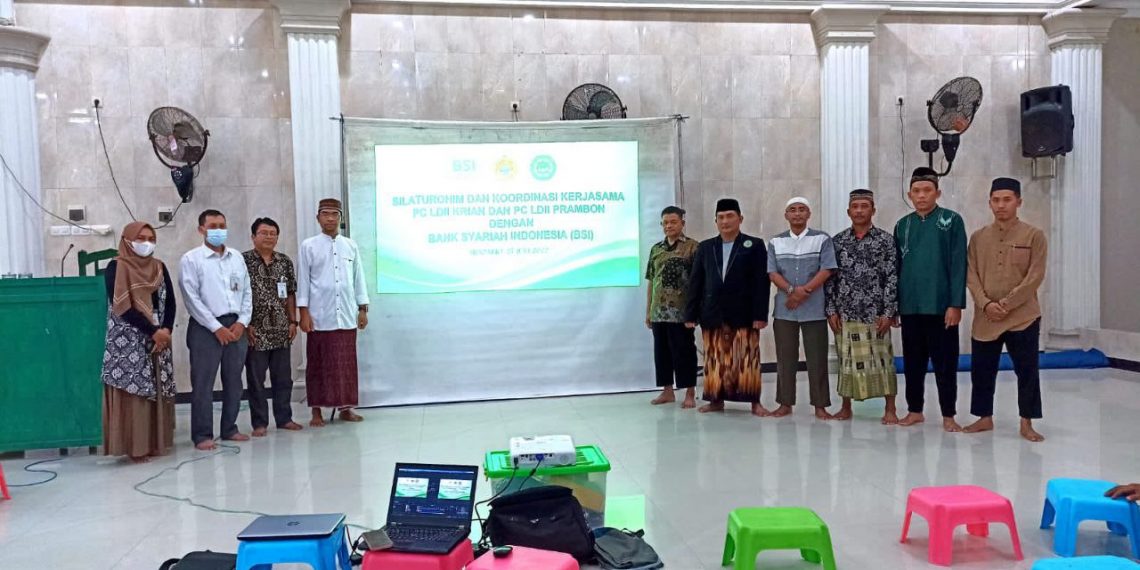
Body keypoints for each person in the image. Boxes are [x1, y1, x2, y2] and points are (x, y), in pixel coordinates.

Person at [963, 177, 1048, 442]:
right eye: (996, 200)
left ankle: (1027, 421)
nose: (1001, 205)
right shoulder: (978, 238)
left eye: (1007, 200)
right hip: (986, 316)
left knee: (1027, 370)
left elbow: (1035, 276)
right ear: (989, 203)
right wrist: (986, 303)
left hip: (1023, 316)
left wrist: (1007, 304)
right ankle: (984, 417)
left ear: (1018, 202)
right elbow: (971, 274)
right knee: (982, 369)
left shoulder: (1034, 235)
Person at [894, 167, 967, 432]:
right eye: (916, 191)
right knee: (913, 362)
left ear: (937, 192)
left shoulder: (951, 221)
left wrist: (956, 303)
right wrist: (895, 307)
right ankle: (915, 410)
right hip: (911, 306)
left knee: (945, 363)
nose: (922, 196)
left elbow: (959, 264)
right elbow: (896, 269)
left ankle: (949, 414)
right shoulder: (903, 225)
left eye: (927, 191)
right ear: (909, 194)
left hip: (941, 307)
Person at [684, 198, 772, 417]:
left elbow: (761, 283)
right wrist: (691, 314)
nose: (725, 221)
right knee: (715, 360)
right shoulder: (705, 247)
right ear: (715, 221)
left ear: (740, 219)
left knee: (746, 359)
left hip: (744, 313)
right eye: (721, 217)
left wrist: (760, 314)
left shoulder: (754, 245)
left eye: (730, 216)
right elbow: (696, 282)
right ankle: (716, 401)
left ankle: (755, 402)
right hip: (712, 312)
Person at [100, 222, 176, 462]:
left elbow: (170, 301)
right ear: (127, 239)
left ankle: (155, 443)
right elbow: (120, 306)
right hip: (128, 338)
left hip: (158, 337)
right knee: (133, 393)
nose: (146, 243)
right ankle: (135, 447)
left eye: (150, 238)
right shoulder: (116, 266)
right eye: (140, 238)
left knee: (157, 386)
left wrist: (165, 330)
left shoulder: (159, 267)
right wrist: (153, 331)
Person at [180, 209, 253, 451]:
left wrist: (242, 321)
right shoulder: (191, 259)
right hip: (205, 328)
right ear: (201, 229)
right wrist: (215, 327)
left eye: (222, 225)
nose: (218, 230)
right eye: (212, 226)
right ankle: (202, 435)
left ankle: (230, 428)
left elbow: (246, 293)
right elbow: (192, 299)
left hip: (236, 326)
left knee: (234, 380)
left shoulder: (236, 258)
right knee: (203, 383)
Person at [825, 189, 900, 424]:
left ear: (873, 210)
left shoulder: (886, 240)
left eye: (864, 206)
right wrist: (831, 310)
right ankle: (846, 407)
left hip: (875, 313)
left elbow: (892, 277)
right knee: (846, 361)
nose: (859, 210)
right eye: (855, 206)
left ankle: (890, 409)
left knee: (883, 361)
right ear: (848, 212)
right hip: (846, 312)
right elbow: (830, 279)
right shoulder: (837, 242)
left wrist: (889, 312)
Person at [298, 198, 369, 426]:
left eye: (334, 214)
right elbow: (304, 281)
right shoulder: (308, 245)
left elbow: (359, 279)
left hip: (346, 314)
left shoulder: (350, 245)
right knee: (318, 365)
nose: (330, 218)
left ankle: (346, 408)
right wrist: (304, 313)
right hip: (319, 316)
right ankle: (316, 411)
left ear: (341, 218)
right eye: (325, 214)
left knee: (346, 365)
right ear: (318, 217)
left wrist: (362, 308)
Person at [767, 197, 837, 419]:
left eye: (802, 210)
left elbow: (827, 269)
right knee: (785, 358)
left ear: (809, 214)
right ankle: (785, 403)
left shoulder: (822, 239)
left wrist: (803, 292)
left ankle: (820, 405)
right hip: (785, 310)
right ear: (786, 215)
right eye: (792, 210)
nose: (797, 214)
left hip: (814, 309)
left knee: (817, 359)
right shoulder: (775, 242)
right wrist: (791, 292)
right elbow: (772, 272)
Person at [243, 217, 303, 437]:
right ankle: (259, 423)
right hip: (254, 331)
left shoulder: (284, 261)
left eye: (273, 233)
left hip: (281, 329)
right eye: (264, 233)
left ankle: (284, 418)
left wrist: (293, 321)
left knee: (283, 378)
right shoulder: (243, 261)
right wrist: (245, 324)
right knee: (256, 380)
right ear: (253, 236)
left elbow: (290, 293)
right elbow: (238, 294)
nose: (269, 237)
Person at [646, 206, 700, 408]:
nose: (669, 226)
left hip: (681, 313)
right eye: (665, 223)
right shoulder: (656, 249)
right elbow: (652, 281)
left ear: (682, 223)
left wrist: (694, 312)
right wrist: (648, 311)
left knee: (684, 352)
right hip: (658, 312)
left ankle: (689, 393)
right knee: (662, 353)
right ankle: (667, 391)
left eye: (673, 222)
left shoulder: (693, 247)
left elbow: (698, 283)